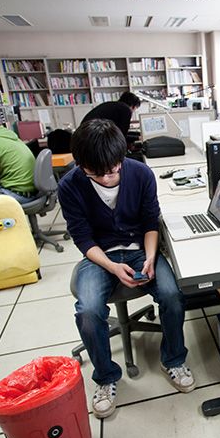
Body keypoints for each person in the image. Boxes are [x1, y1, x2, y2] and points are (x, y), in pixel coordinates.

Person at [57, 119, 195, 419]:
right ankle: (106, 378)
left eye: (113, 169)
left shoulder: (141, 173)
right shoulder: (69, 186)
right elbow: (82, 238)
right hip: (100, 256)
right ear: (81, 165)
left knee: (172, 294)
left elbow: (150, 222)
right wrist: (111, 266)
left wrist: (150, 257)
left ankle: (173, 359)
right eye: (98, 173)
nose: (108, 178)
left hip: (140, 250)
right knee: (88, 311)